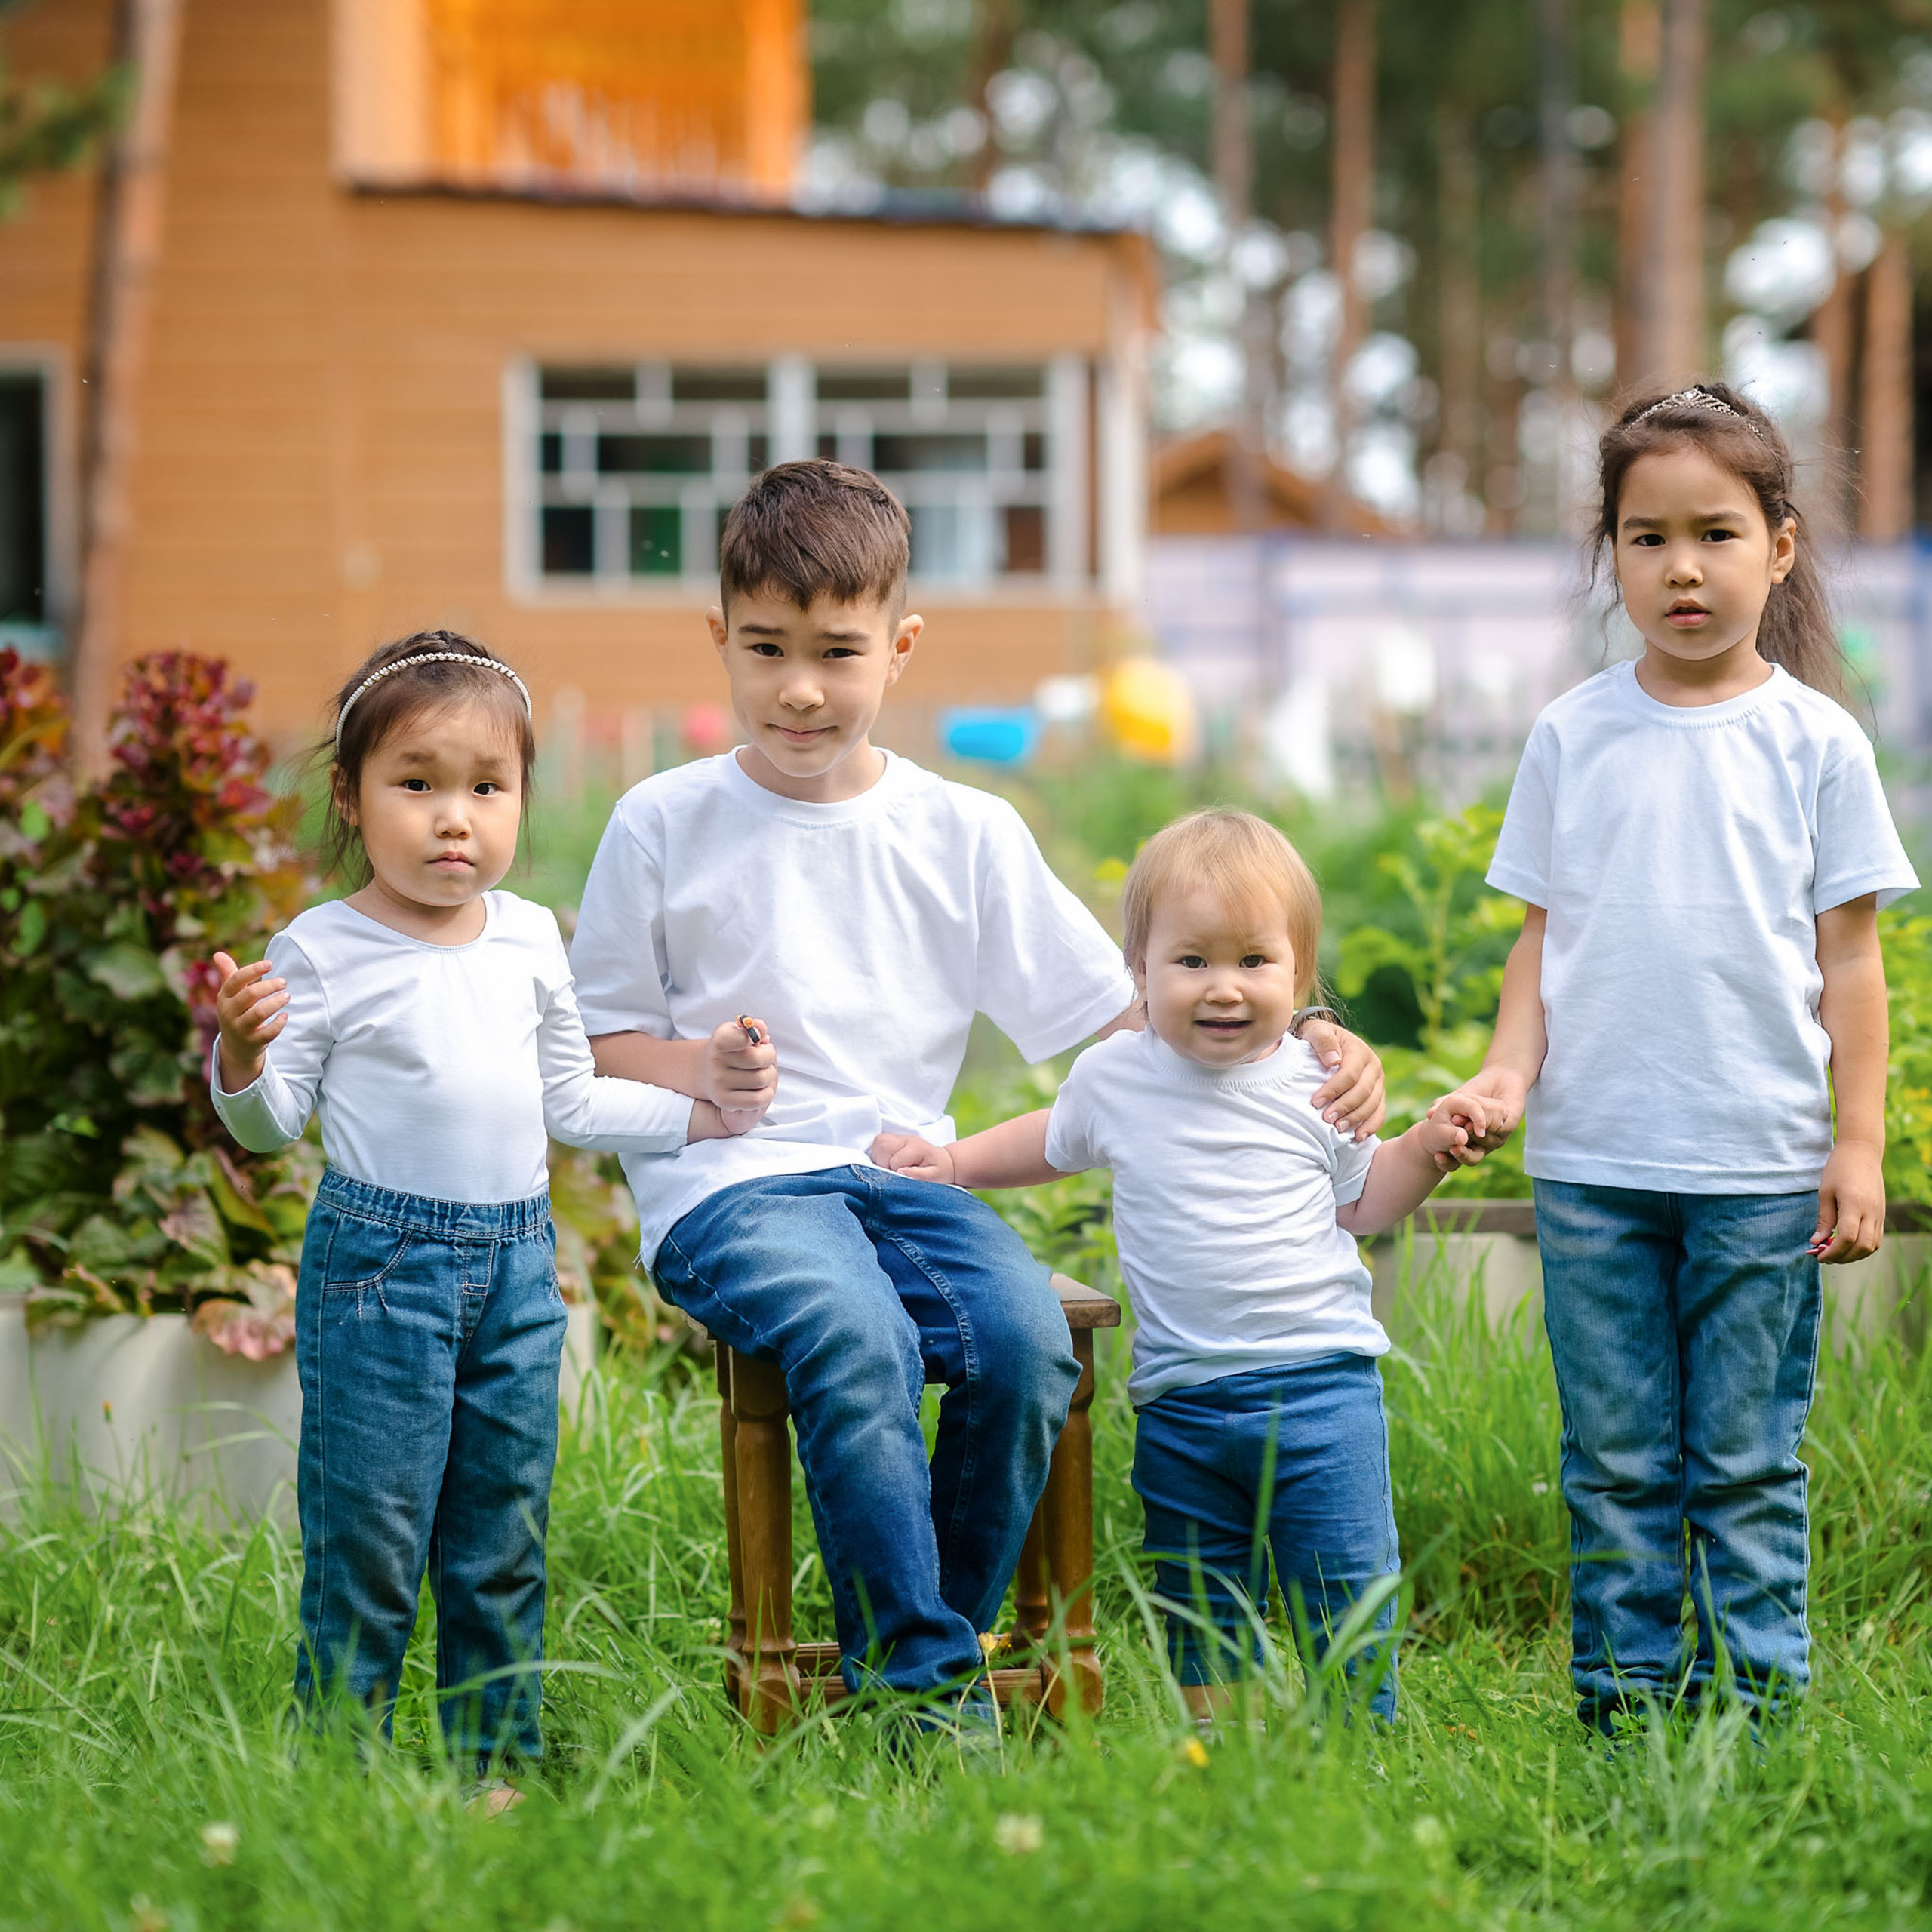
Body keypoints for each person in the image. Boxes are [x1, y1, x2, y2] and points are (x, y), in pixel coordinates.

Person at [571, 460, 1389, 1711]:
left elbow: (1134, 1009)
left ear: (899, 648)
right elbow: (600, 1045)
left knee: (1022, 1344)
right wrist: (702, 1069)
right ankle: (929, 1692)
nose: (800, 687)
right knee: (859, 1337)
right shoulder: (661, 823)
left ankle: (919, 1652)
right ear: (720, 639)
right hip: (734, 1193)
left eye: (838, 652)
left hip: (905, 1180)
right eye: (766, 648)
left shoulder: (963, 833)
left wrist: (1316, 1039)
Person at [1447, 383, 1920, 1731]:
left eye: (1715, 532)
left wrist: (1860, 1143)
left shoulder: (1818, 743)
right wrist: (1504, 1074)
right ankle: (1626, 1705)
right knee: (1613, 1459)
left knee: (1746, 1461)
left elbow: (1851, 967)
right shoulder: (1573, 733)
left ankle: (1759, 1707)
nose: (1682, 567)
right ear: (1614, 558)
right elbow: (1542, 940)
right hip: (1595, 1169)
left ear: (1780, 546)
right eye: (1646, 538)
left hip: (1761, 1169)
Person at [208, 632, 733, 1791]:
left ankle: (491, 1766)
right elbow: (272, 1124)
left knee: (500, 1532)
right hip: (379, 1268)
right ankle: (338, 1770)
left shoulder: (531, 937)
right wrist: (242, 1054)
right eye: (418, 784)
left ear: (521, 799)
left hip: (515, 1270)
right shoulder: (323, 950)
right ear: (349, 796)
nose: (457, 819)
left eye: (487, 789)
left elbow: (573, 1100)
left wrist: (699, 1113)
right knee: (374, 1535)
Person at [872, 809, 1492, 1723]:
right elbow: (1050, 1139)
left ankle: (1359, 1741)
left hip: (1321, 1387)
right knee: (1200, 1593)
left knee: (1344, 1579)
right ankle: (1218, 1747)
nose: (1223, 988)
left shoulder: (1313, 1086)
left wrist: (1429, 1149)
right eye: (1191, 961)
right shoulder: (1117, 1074)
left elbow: (1361, 1203)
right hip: (1182, 1400)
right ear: (1140, 970)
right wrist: (954, 1163)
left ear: (1299, 973)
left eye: (1253, 960)